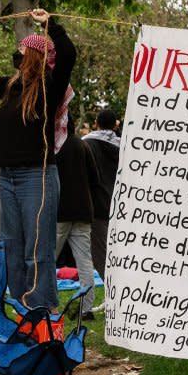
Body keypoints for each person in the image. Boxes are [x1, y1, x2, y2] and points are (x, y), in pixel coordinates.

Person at [0, 8, 75, 311]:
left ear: (35, 55)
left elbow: (67, 54)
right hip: (10, 177)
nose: (17, 52)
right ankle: (23, 307)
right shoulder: (12, 87)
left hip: (36, 176)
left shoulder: (49, 86)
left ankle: (42, 313)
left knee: (37, 249)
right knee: (12, 247)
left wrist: (51, 25)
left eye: (22, 48)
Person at [55, 120, 99, 320]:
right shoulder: (83, 145)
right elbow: (95, 179)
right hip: (83, 210)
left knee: (48, 259)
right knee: (84, 262)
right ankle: (86, 308)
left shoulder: (54, 146)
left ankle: (46, 305)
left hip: (60, 211)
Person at [83, 109, 120, 282]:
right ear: (115, 124)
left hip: (96, 205)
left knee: (100, 252)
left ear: (96, 122)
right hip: (121, 205)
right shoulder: (126, 145)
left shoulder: (85, 144)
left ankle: (112, 289)